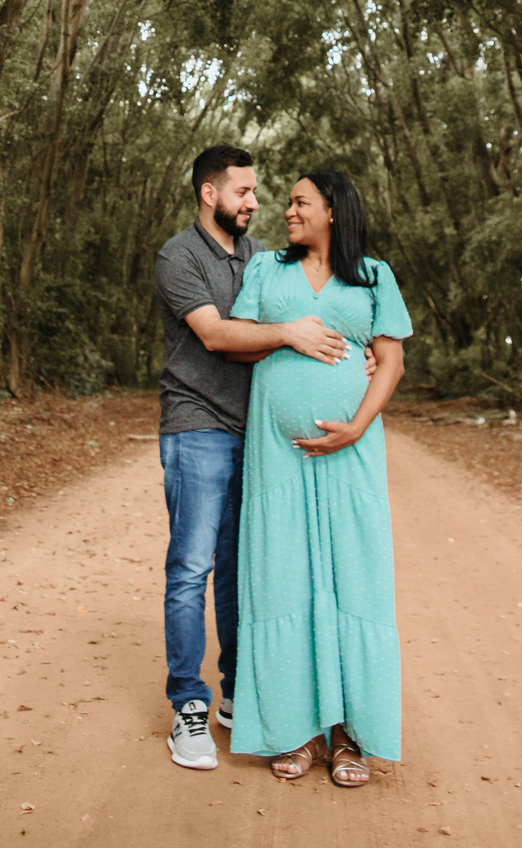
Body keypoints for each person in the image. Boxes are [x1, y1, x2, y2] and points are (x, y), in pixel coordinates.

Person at [154, 144, 358, 772]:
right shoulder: (178, 256)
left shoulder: (263, 257)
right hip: (198, 426)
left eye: (256, 193)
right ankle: (189, 705)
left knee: (244, 567)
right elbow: (215, 334)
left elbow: (325, 310)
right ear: (209, 193)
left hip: (259, 433)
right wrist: (290, 332)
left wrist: (360, 354)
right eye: (244, 192)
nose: (255, 202)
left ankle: (239, 690)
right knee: (192, 567)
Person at [228, 167, 412, 786]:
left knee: (351, 581)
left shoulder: (374, 275)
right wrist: (287, 337)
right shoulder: (266, 271)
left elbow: (390, 359)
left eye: (301, 202)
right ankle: (297, 732)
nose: (289, 211)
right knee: (283, 580)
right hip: (276, 458)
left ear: (334, 209)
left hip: (351, 453)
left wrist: (357, 425)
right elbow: (238, 344)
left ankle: (351, 736)